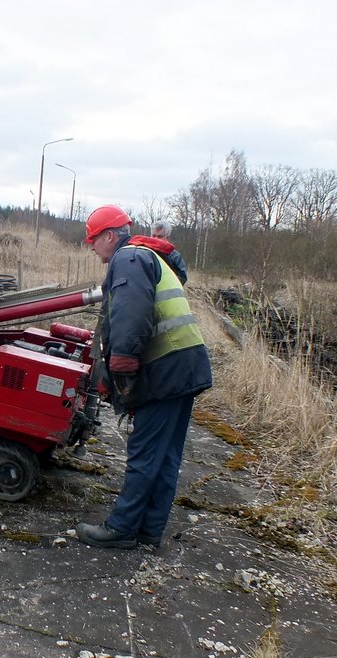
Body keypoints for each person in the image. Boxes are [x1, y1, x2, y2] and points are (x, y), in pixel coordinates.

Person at [75, 204, 213, 549]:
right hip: (184, 365)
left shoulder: (129, 259)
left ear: (109, 236)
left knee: (145, 454)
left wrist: (122, 376)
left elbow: (131, 318)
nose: (91, 247)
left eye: (92, 239)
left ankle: (121, 529)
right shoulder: (148, 256)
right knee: (165, 456)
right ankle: (150, 530)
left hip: (165, 369)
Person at [145, 220, 188, 285]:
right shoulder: (144, 252)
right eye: (153, 236)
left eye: (159, 236)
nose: (155, 239)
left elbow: (182, 278)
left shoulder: (174, 256)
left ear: (167, 238)